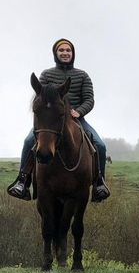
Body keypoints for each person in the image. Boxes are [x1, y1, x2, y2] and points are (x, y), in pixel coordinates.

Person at [7, 38, 110, 202]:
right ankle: (22, 182)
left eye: (68, 50)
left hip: (76, 119)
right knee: (28, 141)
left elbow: (89, 99)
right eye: (61, 50)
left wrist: (79, 111)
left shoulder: (83, 75)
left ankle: (99, 184)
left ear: (73, 54)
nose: (65, 53)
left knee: (100, 145)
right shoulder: (46, 74)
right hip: (51, 120)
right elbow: (40, 96)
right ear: (56, 53)